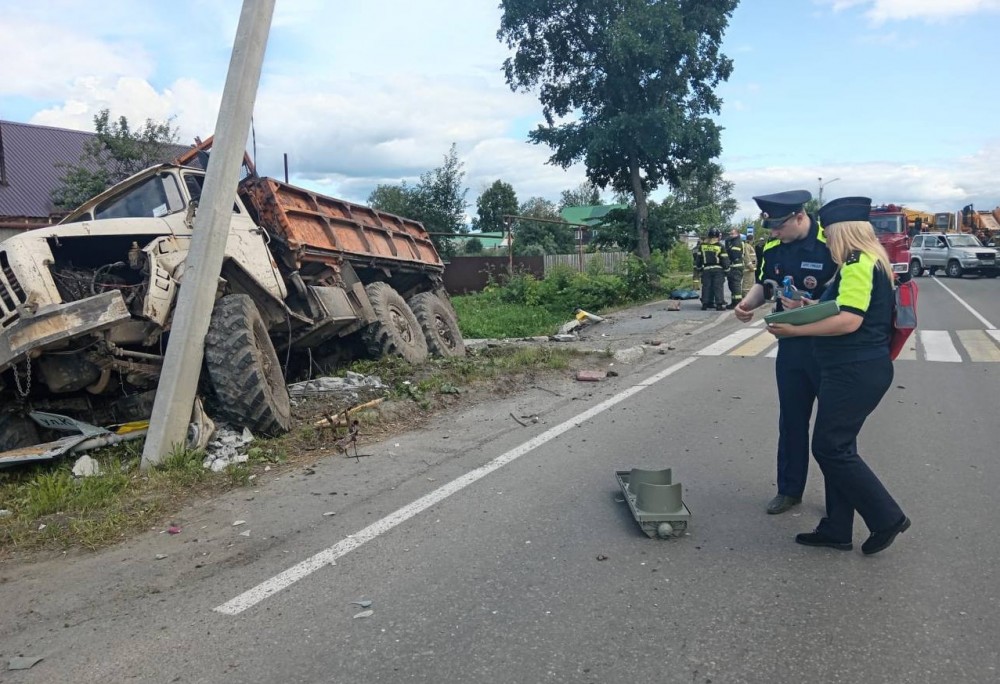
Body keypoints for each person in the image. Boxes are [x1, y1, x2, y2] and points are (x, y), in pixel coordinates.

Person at [766, 197, 909, 554]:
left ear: (843, 232)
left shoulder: (859, 263)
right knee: (838, 447)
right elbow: (841, 306)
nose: (827, 241)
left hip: (854, 370)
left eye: (830, 234)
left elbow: (850, 320)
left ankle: (887, 517)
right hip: (851, 368)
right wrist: (808, 307)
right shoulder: (864, 262)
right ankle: (837, 527)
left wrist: (795, 330)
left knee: (831, 448)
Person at [733, 190, 838, 514]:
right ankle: (789, 490)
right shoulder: (773, 248)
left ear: (800, 217)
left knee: (832, 431)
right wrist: (747, 304)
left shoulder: (831, 245)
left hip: (828, 346)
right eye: (771, 228)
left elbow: (846, 299)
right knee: (791, 421)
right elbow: (767, 284)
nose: (774, 233)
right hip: (791, 345)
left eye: (779, 227)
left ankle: (840, 499)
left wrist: (811, 305)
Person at [693, 228, 730, 311]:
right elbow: (724, 259)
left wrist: (699, 268)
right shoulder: (720, 246)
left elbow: (699, 258)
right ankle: (719, 305)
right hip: (718, 269)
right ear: (717, 236)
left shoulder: (702, 246)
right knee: (718, 287)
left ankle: (705, 304)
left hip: (706, 269)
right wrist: (727, 270)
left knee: (706, 286)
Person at [723, 228, 746, 309]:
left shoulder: (737, 242)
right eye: (730, 234)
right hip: (733, 267)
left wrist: (727, 251)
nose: (731, 235)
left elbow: (734, 255)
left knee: (735, 285)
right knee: (732, 285)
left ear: (737, 234)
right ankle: (734, 302)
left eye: (732, 234)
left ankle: (738, 303)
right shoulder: (732, 242)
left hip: (736, 266)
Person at [741, 233, 758, 301]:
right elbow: (747, 257)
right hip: (748, 268)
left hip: (752, 269)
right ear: (751, 239)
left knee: (751, 282)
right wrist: (750, 266)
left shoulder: (749, 246)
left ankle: (749, 295)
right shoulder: (746, 246)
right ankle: (745, 295)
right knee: (747, 282)